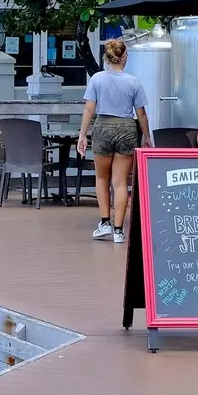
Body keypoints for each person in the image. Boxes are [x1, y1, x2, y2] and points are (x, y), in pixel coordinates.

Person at [76, 39, 150, 244]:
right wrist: (146, 136)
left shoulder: (97, 79)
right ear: (124, 57)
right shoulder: (133, 81)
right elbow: (141, 113)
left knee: (102, 178)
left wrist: (83, 134)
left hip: (103, 126)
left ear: (106, 58)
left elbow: (89, 109)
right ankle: (119, 230)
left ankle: (104, 223)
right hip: (127, 127)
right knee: (120, 182)